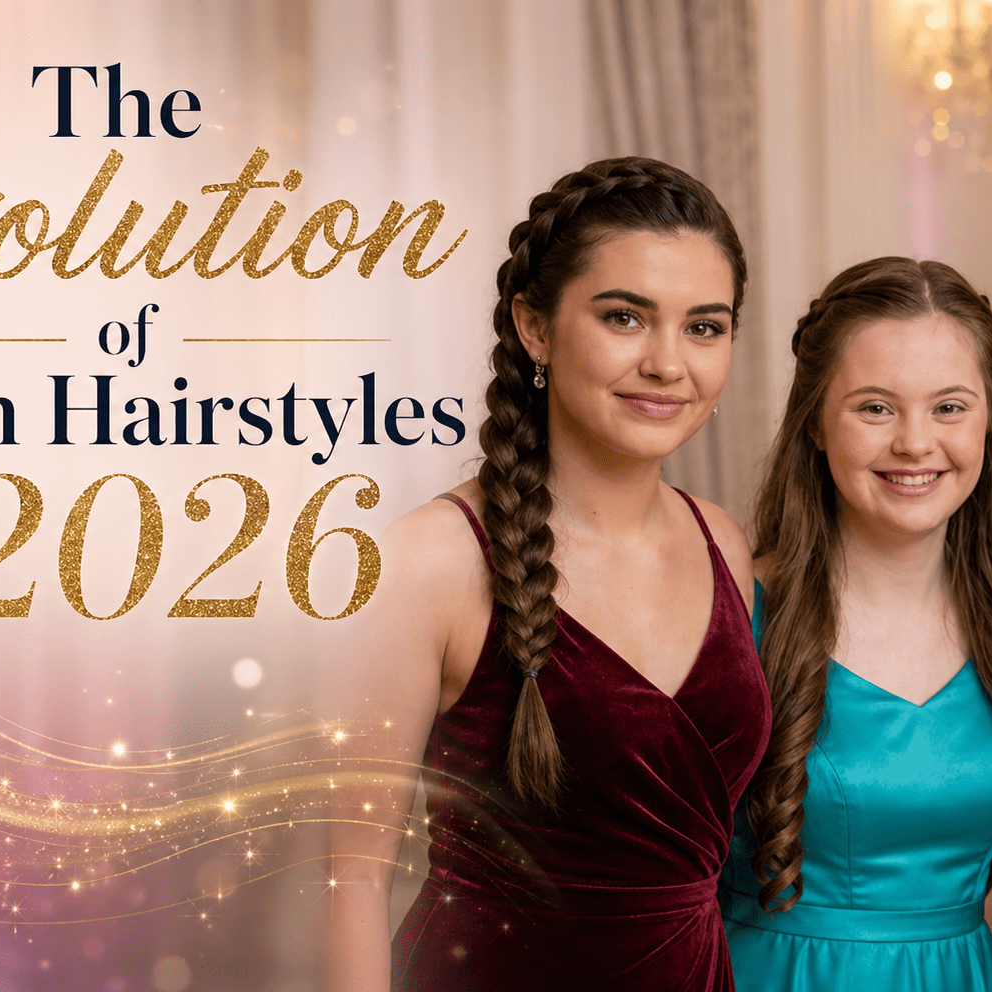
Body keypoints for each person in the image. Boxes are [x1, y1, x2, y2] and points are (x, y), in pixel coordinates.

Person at [323, 157, 770, 992]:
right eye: (626, 318)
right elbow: (351, 880)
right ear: (535, 327)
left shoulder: (725, 543)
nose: (670, 363)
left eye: (704, 327)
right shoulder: (427, 562)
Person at [720, 257, 992, 990]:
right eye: (875, 407)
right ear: (815, 423)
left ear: (988, 423)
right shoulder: (734, 614)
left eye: (950, 407)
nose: (915, 443)